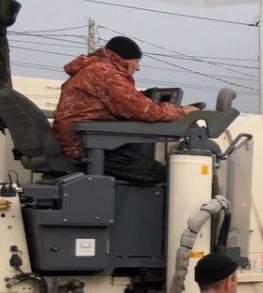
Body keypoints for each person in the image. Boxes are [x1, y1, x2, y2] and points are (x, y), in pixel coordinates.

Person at [52, 36, 200, 184]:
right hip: (88, 147)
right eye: (136, 61)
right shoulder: (107, 73)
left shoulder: (95, 69)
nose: (138, 67)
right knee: (167, 176)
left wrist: (140, 96)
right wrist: (182, 112)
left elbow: (121, 102)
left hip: (83, 142)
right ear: (123, 59)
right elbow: (143, 110)